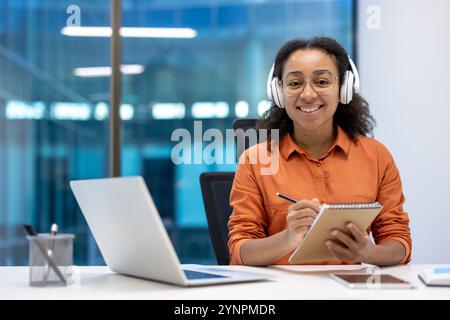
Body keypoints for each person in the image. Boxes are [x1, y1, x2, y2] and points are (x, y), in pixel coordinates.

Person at [227, 37, 411, 267]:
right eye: (294, 83)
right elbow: (240, 252)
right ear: (278, 91)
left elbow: (399, 242)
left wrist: (367, 252)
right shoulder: (254, 161)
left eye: (322, 81)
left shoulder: (376, 156)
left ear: (344, 88)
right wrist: (288, 237)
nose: (308, 95)